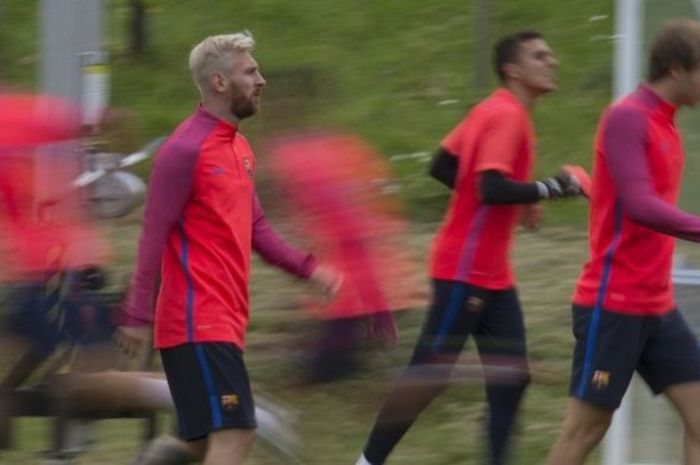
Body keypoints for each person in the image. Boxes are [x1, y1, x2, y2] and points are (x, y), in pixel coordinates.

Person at [355, 30, 590, 465]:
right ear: (513, 70)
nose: (552, 61)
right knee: (428, 375)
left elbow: (444, 165)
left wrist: (517, 202)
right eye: (540, 56)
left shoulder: (492, 111)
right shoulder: (507, 117)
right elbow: (490, 186)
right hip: (464, 272)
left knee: (512, 378)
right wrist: (553, 188)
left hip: (492, 275)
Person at [115, 32, 341, 465]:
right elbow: (152, 233)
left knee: (195, 445)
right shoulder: (184, 150)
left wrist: (308, 268)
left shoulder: (238, 147)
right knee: (236, 433)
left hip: (224, 320)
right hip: (196, 321)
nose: (262, 80)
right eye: (250, 71)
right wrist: (137, 314)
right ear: (219, 82)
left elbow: (256, 227)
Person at [546, 19, 700, 465]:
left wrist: (589, 186)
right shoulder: (628, 116)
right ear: (676, 68)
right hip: (613, 304)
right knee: (586, 430)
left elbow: (623, 199)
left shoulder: (666, 125)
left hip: (657, 305)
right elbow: (638, 204)